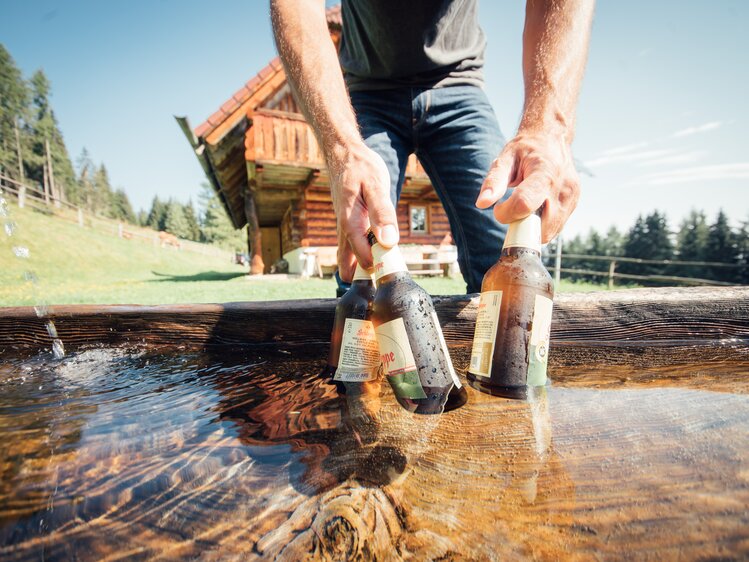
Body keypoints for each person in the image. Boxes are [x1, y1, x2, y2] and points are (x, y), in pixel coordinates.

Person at [271, 0, 594, 293]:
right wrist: (343, 150)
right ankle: (359, 351)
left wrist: (549, 129)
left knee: (509, 248)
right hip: (369, 93)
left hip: (458, 85)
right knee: (364, 252)